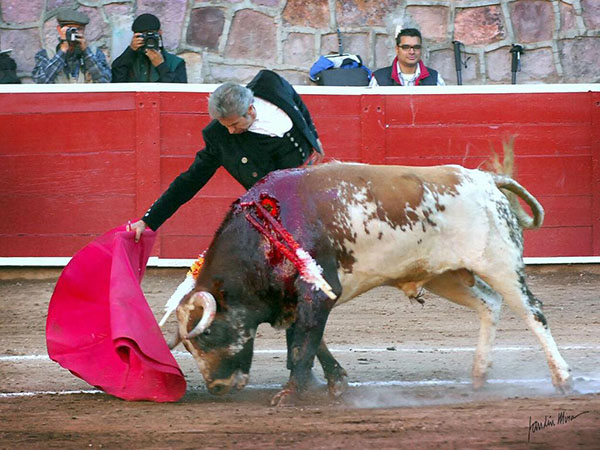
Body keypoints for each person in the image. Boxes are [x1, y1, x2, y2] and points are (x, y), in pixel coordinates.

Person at [130, 69, 323, 240]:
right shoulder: (219, 138)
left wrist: (314, 138)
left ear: (250, 108)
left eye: (235, 124)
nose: (230, 131)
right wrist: (149, 220)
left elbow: (296, 102)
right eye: (226, 126)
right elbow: (189, 181)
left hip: (312, 177)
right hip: (280, 205)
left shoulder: (270, 83)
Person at [32, 9, 111, 84]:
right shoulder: (46, 54)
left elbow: (105, 81)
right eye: (70, 29)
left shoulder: (95, 53)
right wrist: (62, 51)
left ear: (84, 30)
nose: (74, 32)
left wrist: (87, 53)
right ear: (59, 30)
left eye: (79, 29)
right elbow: (41, 83)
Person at [111, 13, 186, 83]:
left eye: (151, 34)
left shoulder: (175, 63)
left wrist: (161, 66)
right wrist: (131, 50)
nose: (148, 39)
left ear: (159, 33)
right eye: (143, 35)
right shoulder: (129, 62)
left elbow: (179, 92)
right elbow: (116, 80)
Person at [370, 28, 445, 87]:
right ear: (397, 49)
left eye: (416, 47)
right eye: (406, 47)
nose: (412, 52)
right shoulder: (379, 78)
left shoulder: (435, 78)